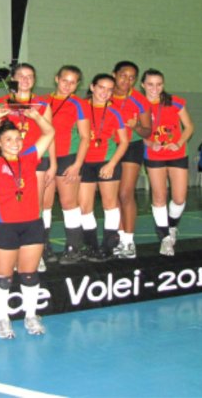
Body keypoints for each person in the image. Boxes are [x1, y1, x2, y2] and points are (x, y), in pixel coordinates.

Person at [0, 105, 55, 339]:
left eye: (17, 138)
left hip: (32, 225)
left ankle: (31, 315)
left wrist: (36, 117)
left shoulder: (29, 157)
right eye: (8, 139)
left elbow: (49, 134)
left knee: (29, 274)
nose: (14, 142)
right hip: (3, 227)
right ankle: (3, 319)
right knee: (3, 276)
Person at [0, 63, 56, 268]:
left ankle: (37, 252)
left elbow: (50, 134)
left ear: (34, 80)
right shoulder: (1, 103)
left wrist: (53, 163)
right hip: (9, 164)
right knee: (14, 206)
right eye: (21, 76)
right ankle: (15, 251)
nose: (26, 80)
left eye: (30, 76)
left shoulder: (42, 105)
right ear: (12, 79)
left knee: (35, 206)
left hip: (35, 160)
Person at [141, 69, 194, 257]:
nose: (155, 88)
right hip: (154, 155)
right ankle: (164, 238)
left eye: (159, 84)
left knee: (179, 198)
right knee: (159, 196)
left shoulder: (175, 102)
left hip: (177, 153)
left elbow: (189, 127)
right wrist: (149, 143)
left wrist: (179, 142)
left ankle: (171, 226)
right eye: (150, 84)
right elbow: (136, 131)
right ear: (143, 85)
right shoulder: (139, 105)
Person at [40, 65, 90, 264]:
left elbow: (85, 137)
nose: (67, 85)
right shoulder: (42, 101)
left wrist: (77, 164)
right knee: (44, 205)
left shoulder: (79, 104)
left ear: (78, 84)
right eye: (64, 80)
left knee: (69, 204)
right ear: (56, 79)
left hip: (68, 158)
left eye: (72, 82)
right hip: (45, 158)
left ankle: (74, 247)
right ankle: (44, 246)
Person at [78, 74, 129, 261]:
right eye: (101, 87)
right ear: (92, 87)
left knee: (110, 204)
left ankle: (109, 245)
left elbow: (124, 142)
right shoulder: (81, 107)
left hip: (107, 161)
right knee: (84, 206)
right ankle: (91, 245)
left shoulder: (116, 112)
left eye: (109, 89)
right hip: (84, 162)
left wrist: (112, 163)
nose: (105, 92)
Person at [109, 62, 151, 259]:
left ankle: (129, 240)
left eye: (132, 77)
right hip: (109, 147)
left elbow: (147, 130)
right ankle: (119, 237)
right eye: (123, 75)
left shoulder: (139, 100)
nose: (127, 80)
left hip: (132, 146)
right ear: (114, 75)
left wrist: (135, 127)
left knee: (126, 193)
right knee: (114, 195)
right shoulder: (104, 93)